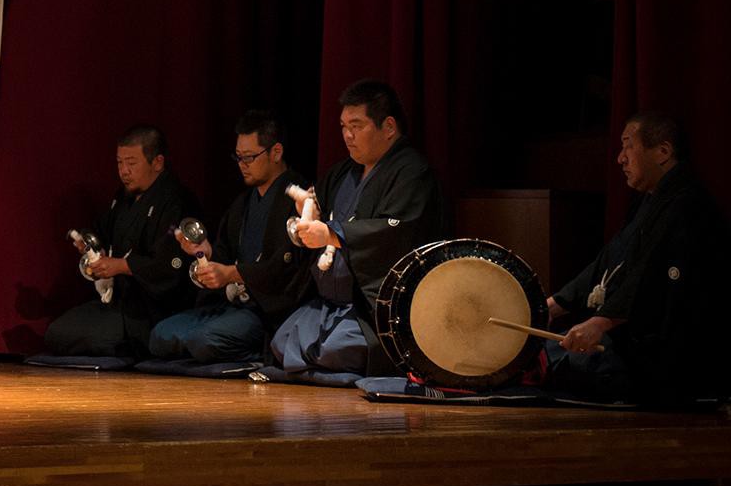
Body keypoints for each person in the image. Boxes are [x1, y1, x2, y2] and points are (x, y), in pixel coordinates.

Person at [544, 112, 731, 405]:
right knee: (546, 351)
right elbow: (607, 262)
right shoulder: (649, 202)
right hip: (634, 344)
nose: (620, 158)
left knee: (560, 360)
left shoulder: (687, 206)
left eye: (627, 146)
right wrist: (552, 306)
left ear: (662, 152)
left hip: (671, 358)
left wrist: (600, 322)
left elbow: (652, 276)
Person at [263, 79, 444, 385]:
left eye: (357, 126)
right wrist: (308, 212)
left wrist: (332, 233)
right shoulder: (342, 171)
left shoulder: (413, 172)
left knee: (335, 349)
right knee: (282, 342)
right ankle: (323, 368)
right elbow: (317, 207)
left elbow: (395, 232)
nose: (347, 135)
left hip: (370, 310)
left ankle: (329, 367)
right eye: (344, 125)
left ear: (388, 127)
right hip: (330, 305)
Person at [150, 111, 313, 365]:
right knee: (160, 335)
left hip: (266, 310)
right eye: (238, 157)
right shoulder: (243, 203)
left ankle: (263, 353)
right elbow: (224, 256)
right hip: (232, 305)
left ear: (276, 152)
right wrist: (205, 254)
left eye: (249, 157)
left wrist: (232, 274)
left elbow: (286, 268)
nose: (242, 164)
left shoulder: (299, 199)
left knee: (203, 340)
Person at [41, 125, 199, 359]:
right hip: (120, 303)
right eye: (119, 163)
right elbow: (102, 234)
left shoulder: (176, 202)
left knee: (87, 337)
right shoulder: (123, 198)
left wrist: (123, 266)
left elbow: (171, 266)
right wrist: (92, 249)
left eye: (132, 163)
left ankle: (140, 344)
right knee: (56, 333)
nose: (124, 171)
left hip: (152, 311)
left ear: (157, 162)